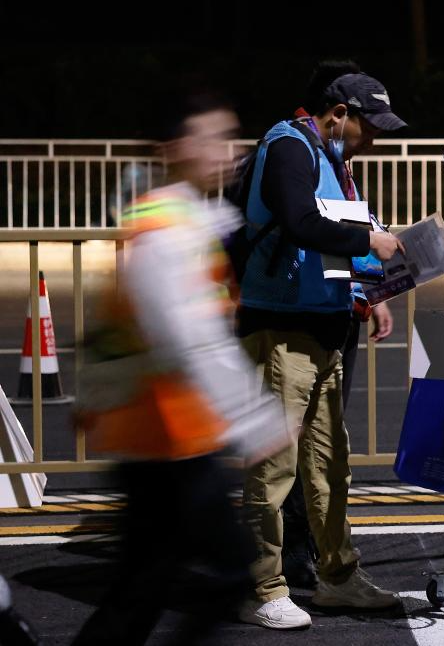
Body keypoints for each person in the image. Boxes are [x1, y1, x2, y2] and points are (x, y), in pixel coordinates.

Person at [73, 89, 288, 645]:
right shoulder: (165, 232)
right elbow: (187, 340)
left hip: (168, 438)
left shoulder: (182, 219)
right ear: (175, 148)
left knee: (141, 590)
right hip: (167, 440)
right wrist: (256, 419)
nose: (229, 151)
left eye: (231, 137)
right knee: (223, 575)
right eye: (212, 138)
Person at [236, 61, 406, 629]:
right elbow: (301, 222)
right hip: (284, 331)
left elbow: (324, 241)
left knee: (329, 468)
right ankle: (263, 588)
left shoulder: (329, 158)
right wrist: (369, 241)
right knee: (274, 468)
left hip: (323, 328)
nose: (373, 140)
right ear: (338, 115)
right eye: (369, 128)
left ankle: (337, 577)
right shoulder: (289, 146)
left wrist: (368, 287)